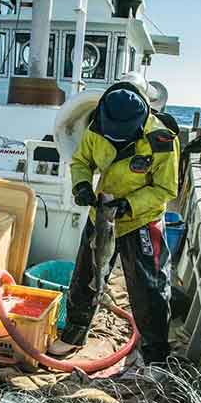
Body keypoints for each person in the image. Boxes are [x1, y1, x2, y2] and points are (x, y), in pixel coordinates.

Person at [47, 83, 179, 367]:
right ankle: (73, 334)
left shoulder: (162, 139)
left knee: (150, 289)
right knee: (84, 277)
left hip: (141, 221)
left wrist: (129, 205)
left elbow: (166, 189)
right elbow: (81, 160)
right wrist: (81, 184)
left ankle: (155, 355)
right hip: (102, 215)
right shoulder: (96, 126)